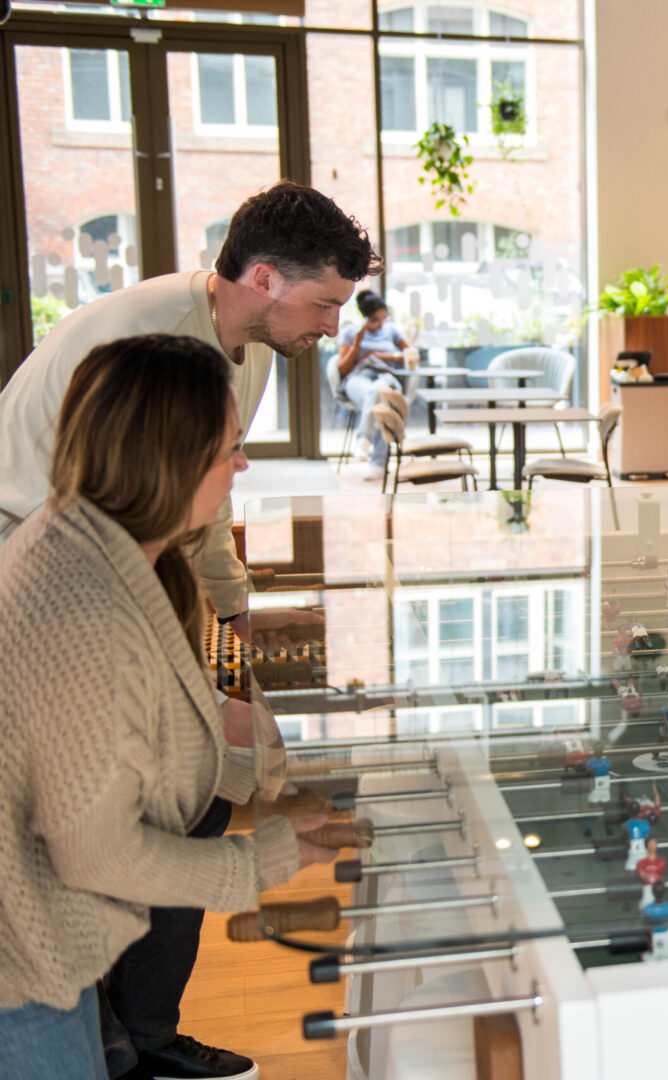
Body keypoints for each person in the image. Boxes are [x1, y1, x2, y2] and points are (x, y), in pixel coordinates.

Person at [0, 336, 340, 1080]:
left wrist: (290, 757)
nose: (241, 467)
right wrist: (263, 861)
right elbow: (101, 852)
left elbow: (177, 721)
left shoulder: (110, 551)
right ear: (171, 462)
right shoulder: (78, 604)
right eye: (230, 449)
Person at [0, 180, 381, 650]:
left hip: (97, 558)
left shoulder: (248, 332)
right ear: (264, 280)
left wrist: (234, 612)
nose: (331, 327)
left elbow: (207, 487)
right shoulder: (158, 340)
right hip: (36, 568)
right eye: (324, 305)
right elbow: (136, 519)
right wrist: (213, 648)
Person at [336, 289, 416, 481]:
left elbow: (411, 354)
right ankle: (378, 463)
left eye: (383, 318)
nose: (379, 324)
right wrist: (357, 343)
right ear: (365, 317)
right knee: (379, 397)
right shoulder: (351, 332)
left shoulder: (391, 330)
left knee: (381, 392)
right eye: (374, 319)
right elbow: (342, 369)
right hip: (358, 379)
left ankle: (364, 439)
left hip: (386, 377)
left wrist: (380, 356)